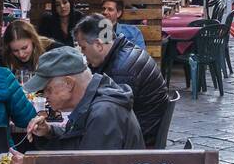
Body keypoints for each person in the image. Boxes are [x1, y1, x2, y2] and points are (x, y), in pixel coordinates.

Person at [73, 15, 170, 146]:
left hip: (137, 143)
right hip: (141, 132)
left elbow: (107, 116)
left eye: (83, 48)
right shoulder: (122, 52)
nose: (82, 55)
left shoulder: (121, 70)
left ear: (98, 45)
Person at [24, 47, 143, 150]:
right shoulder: (95, 101)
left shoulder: (104, 112)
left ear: (68, 83)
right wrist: (49, 132)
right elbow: (79, 144)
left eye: (47, 89)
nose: (44, 96)